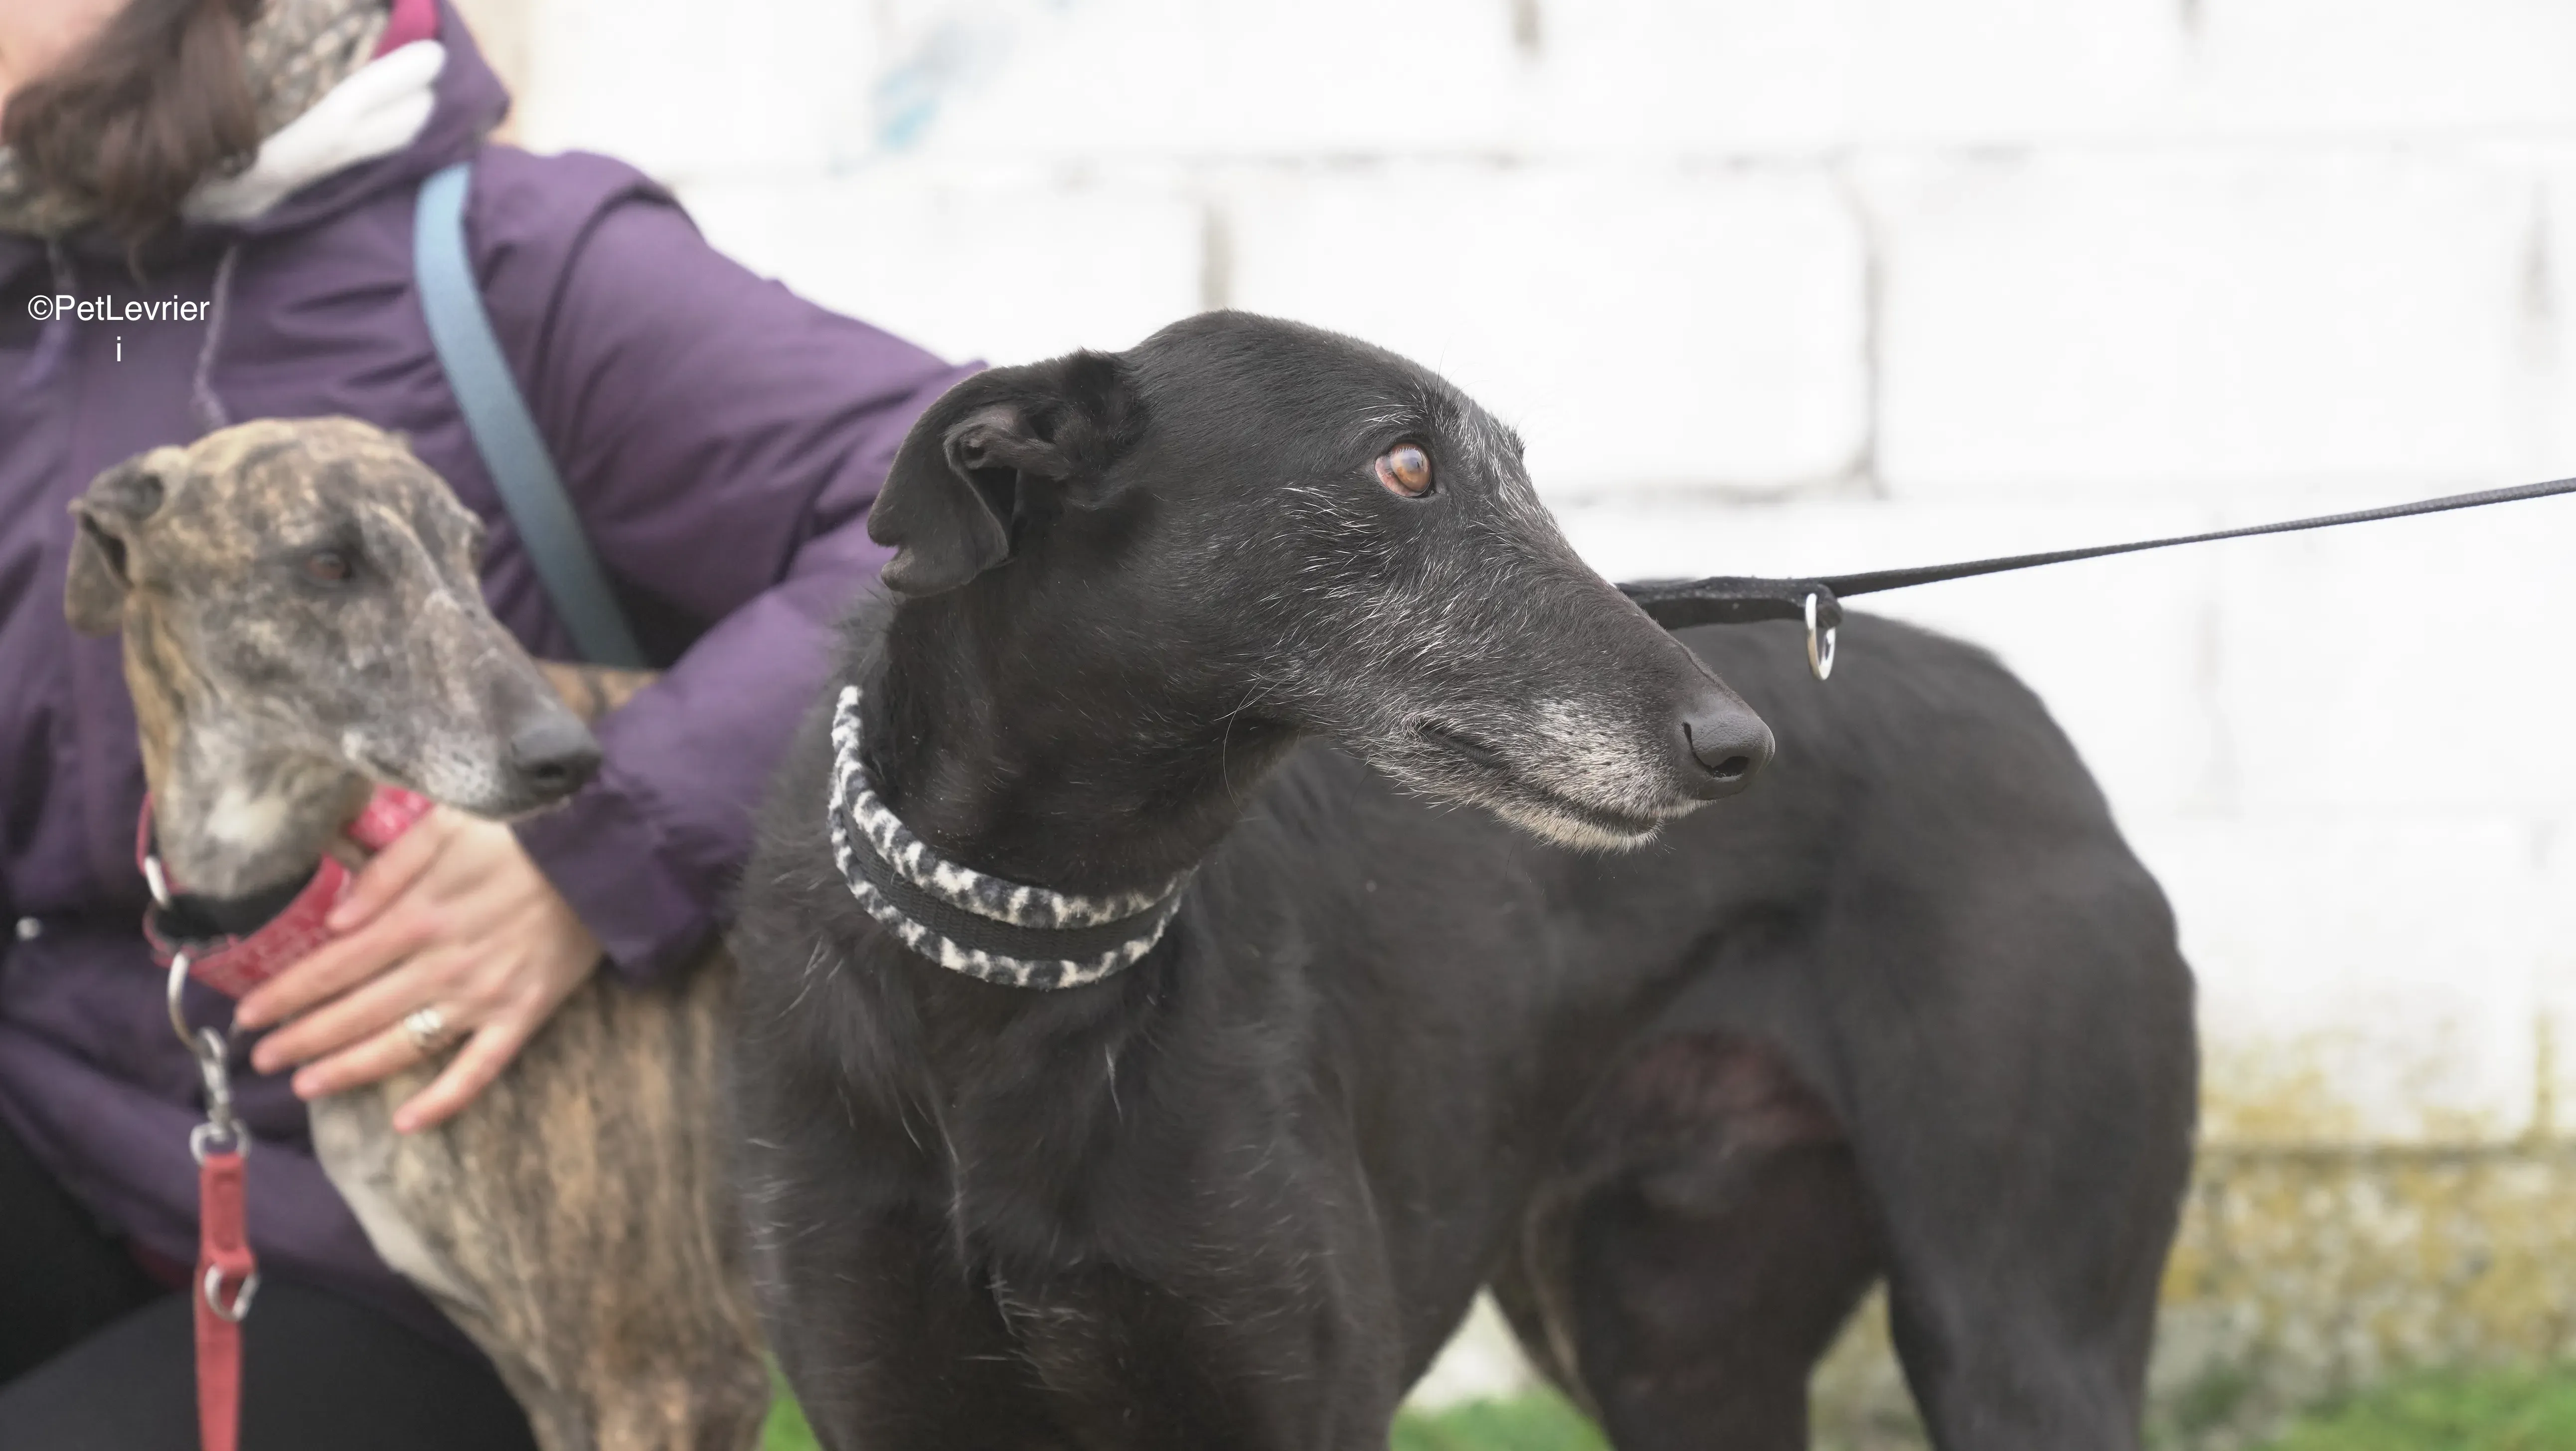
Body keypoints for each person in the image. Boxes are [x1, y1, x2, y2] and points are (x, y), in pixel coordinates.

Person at [0, 0, 977, 1444]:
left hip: (444, 1242)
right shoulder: (47, 289)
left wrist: (600, 849)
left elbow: (963, 523)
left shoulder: (507, 259)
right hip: (68, 1132)